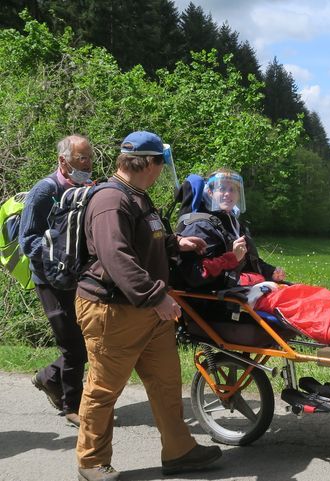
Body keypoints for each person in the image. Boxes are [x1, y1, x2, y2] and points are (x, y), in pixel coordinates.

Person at [74, 131, 221, 481]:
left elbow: (144, 238)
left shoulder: (137, 197)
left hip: (147, 312)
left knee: (166, 383)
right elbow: (116, 256)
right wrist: (158, 297)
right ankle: (91, 462)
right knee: (104, 388)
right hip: (114, 311)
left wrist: (175, 243)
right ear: (150, 165)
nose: (160, 173)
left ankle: (179, 451)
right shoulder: (111, 200)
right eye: (161, 165)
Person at [177, 169, 330, 365]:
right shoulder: (201, 227)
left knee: (320, 296)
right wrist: (232, 258)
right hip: (225, 300)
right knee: (303, 307)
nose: (228, 194)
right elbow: (194, 276)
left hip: (249, 289)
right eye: (222, 189)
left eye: (233, 190)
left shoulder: (232, 223)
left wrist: (270, 271)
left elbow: (251, 262)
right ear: (209, 193)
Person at [19, 134, 93, 427]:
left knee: (83, 342)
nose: (87, 163)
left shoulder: (84, 187)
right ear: (63, 161)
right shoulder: (44, 190)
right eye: (81, 158)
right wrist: (57, 257)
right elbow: (28, 240)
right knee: (73, 345)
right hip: (48, 279)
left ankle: (48, 378)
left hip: (76, 277)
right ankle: (72, 407)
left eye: (89, 157)